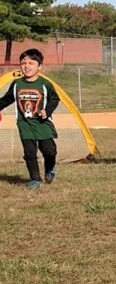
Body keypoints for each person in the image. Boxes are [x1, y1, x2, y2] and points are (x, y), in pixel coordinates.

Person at [0, 48, 59, 188]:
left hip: (42, 123)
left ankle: (50, 169)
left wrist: (47, 111)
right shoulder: (16, 84)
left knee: (49, 151)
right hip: (24, 124)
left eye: (31, 63)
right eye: (23, 63)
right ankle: (35, 179)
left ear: (39, 67)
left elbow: (55, 99)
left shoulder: (45, 84)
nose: (26, 66)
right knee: (29, 152)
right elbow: (7, 99)